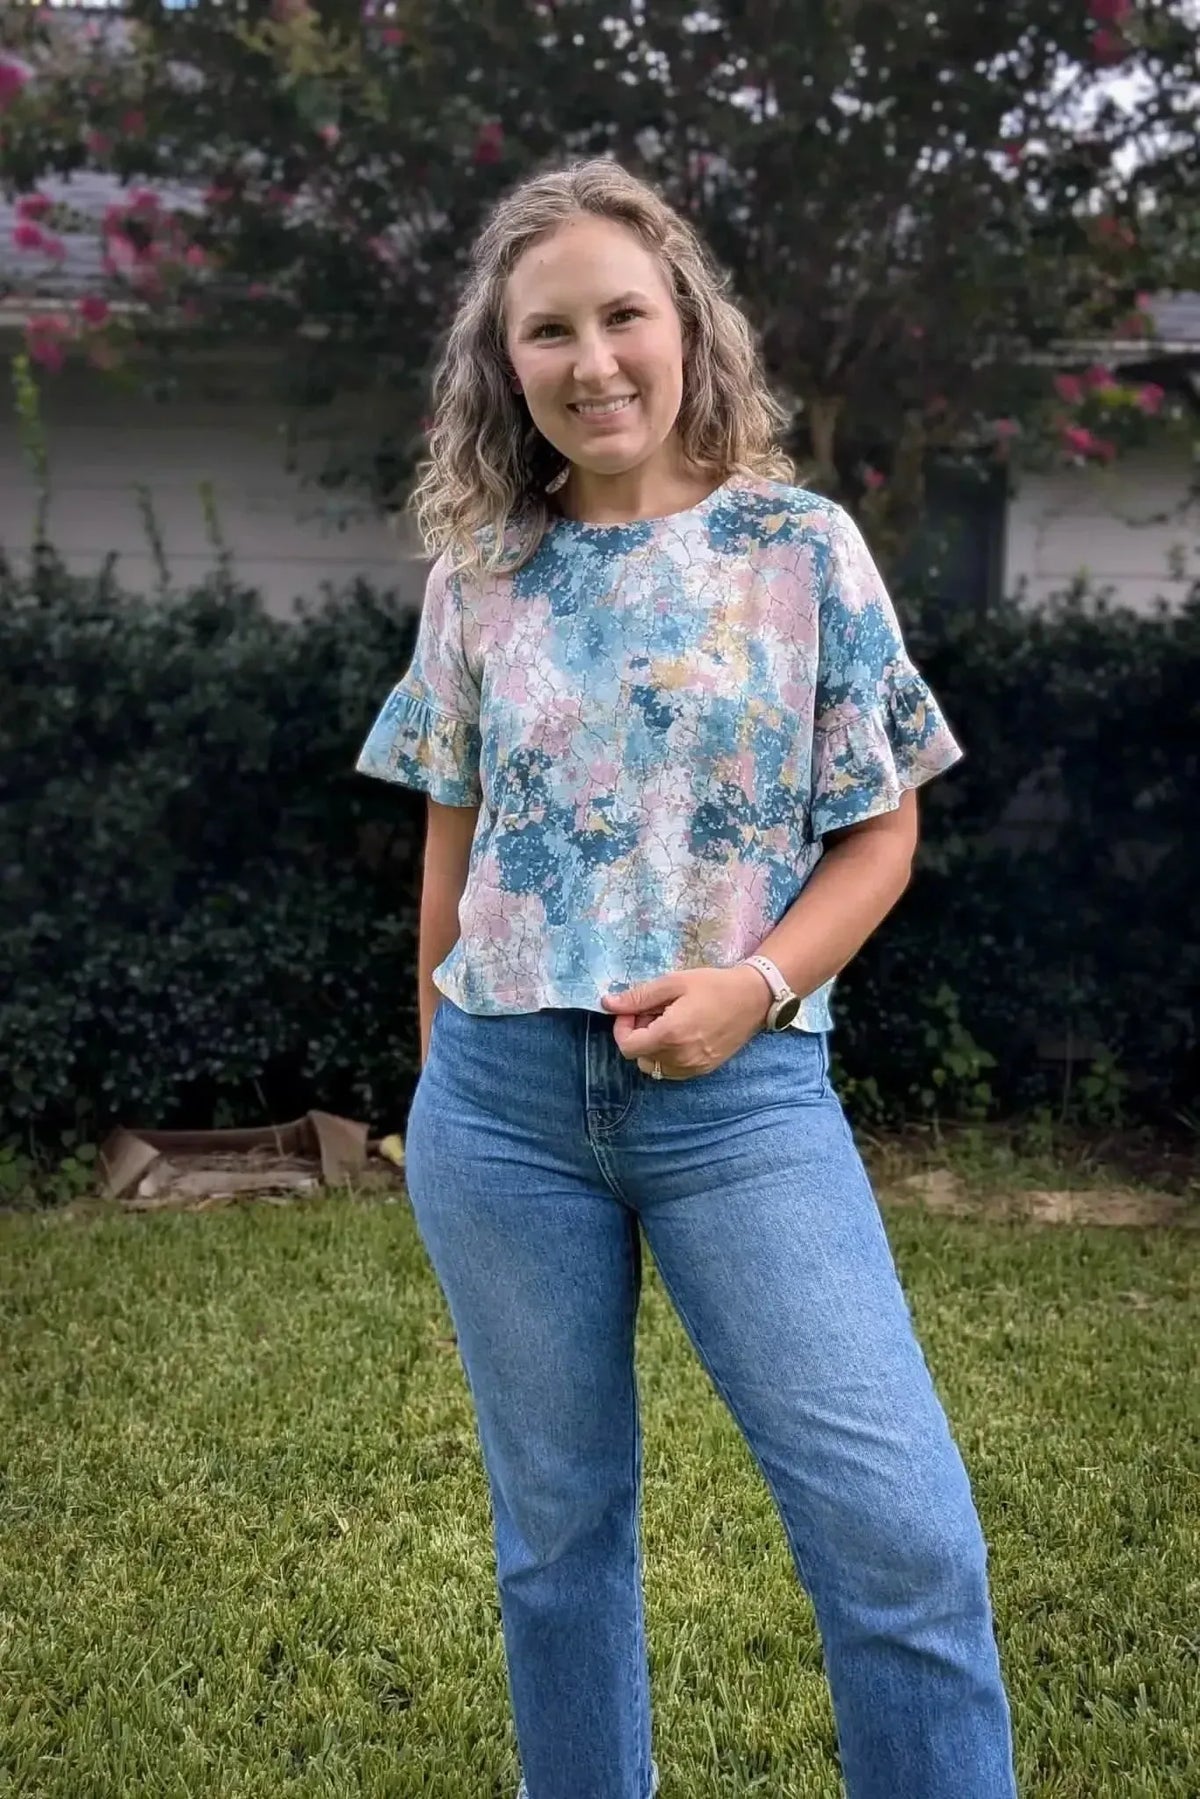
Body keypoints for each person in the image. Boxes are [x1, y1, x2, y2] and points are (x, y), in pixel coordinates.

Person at [356, 158, 1017, 1799]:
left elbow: (881, 840)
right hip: (503, 1112)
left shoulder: (800, 550)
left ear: (688, 325)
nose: (593, 361)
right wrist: (441, 1046)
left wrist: (759, 990)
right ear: (503, 365)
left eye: (622, 314)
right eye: (548, 331)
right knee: (556, 1543)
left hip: (742, 1100)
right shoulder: (480, 578)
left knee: (901, 1535)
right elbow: (456, 831)